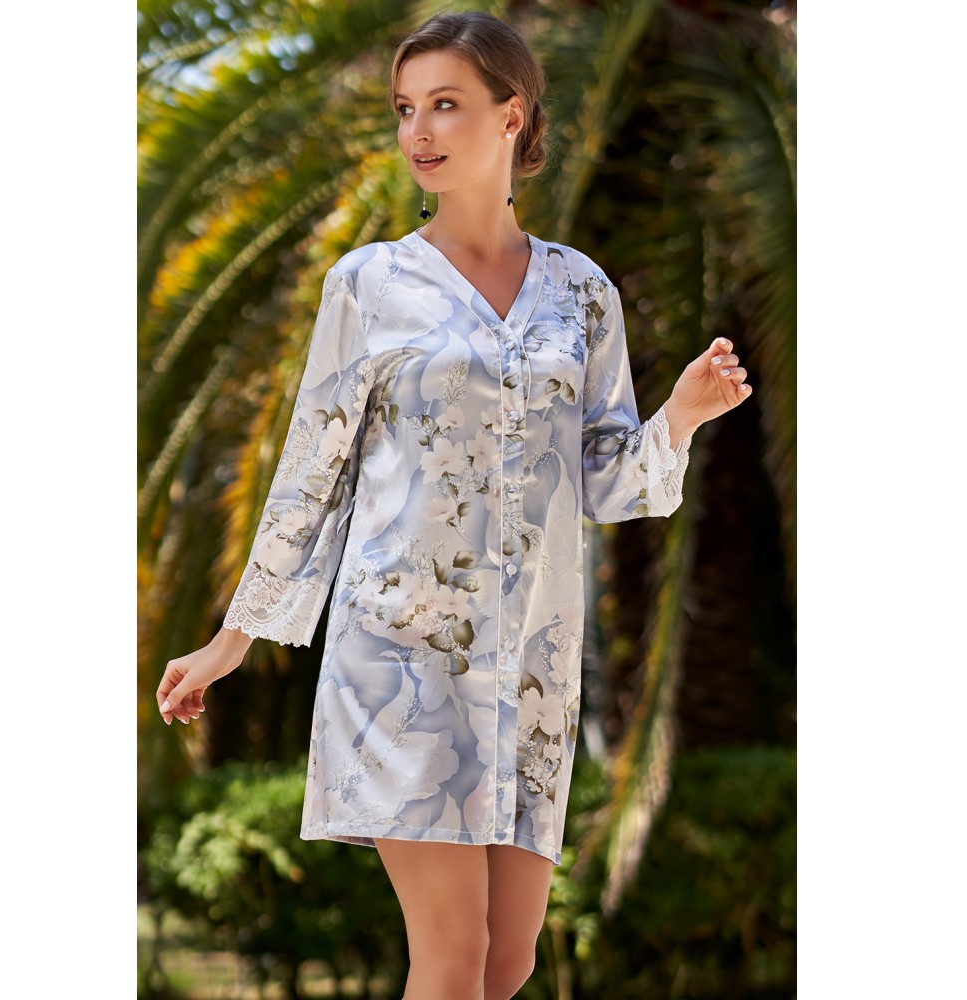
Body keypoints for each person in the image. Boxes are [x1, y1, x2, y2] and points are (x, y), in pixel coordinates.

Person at [155, 10, 752, 999]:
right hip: (401, 654)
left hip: (531, 666)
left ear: (513, 115)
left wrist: (680, 416)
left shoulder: (582, 293)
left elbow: (607, 481)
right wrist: (234, 638)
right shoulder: (369, 284)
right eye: (405, 109)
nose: (418, 130)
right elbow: (313, 468)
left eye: (445, 104)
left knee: (507, 962)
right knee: (453, 958)